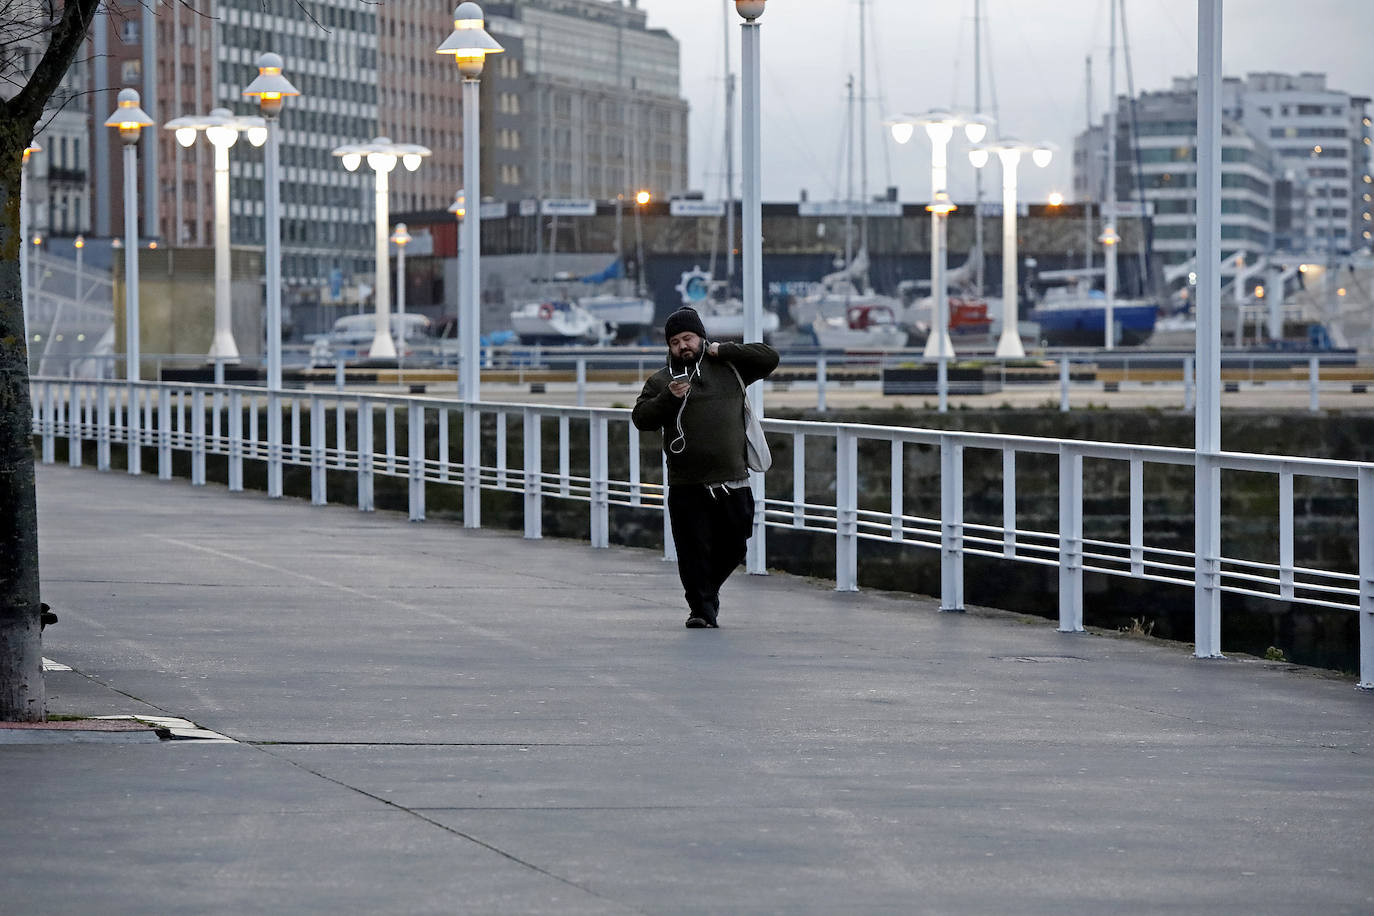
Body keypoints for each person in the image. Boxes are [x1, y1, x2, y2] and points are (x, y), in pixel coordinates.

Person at [632, 306, 780, 628]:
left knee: (736, 544)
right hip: (686, 483)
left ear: (701, 337)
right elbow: (640, 418)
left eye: (688, 338)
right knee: (692, 551)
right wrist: (668, 399)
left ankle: (706, 592)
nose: (682, 346)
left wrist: (723, 348)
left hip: (732, 479)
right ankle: (701, 610)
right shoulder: (661, 380)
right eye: (675, 342)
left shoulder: (729, 367)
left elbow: (769, 358)